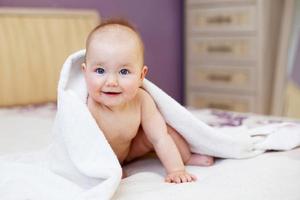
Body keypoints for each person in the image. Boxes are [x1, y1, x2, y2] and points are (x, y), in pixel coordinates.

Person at [81, 19, 214, 184]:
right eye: (100, 70)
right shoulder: (86, 106)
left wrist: (176, 170)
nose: (112, 82)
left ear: (141, 76)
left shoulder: (141, 100)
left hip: (128, 152)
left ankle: (185, 158)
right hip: (100, 157)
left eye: (124, 71)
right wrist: (107, 168)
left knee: (167, 131)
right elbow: (80, 145)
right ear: (85, 73)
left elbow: (160, 137)